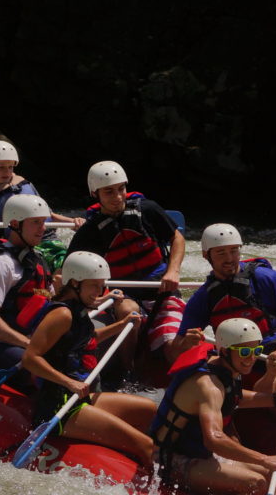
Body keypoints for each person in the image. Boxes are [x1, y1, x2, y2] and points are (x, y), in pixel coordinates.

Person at [149, 318, 276, 495]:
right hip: (172, 460)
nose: (251, 358)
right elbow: (214, 439)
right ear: (224, 350)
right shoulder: (207, 385)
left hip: (200, 454)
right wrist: (264, 458)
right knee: (255, 484)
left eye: (256, 351)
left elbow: (234, 398)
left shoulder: (228, 368)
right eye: (244, 352)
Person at [20, 251, 157, 464]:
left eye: (101, 285)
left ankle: (122, 455)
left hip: (79, 397)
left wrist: (122, 325)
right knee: (146, 445)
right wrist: (70, 383)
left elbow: (88, 339)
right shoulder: (62, 314)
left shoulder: (78, 311)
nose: (100, 292)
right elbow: (30, 358)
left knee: (148, 410)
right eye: (94, 285)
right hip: (60, 406)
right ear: (75, 283)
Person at [65, 160, 188, 374]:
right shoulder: (90, 231)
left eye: (121, 189)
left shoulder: (147, 210)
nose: (118, 197)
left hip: (161, 290)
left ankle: (178, 377)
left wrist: (173, 270)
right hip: (124, 293)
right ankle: (128, 371)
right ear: (96, 194)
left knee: (170, 342)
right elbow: (69, 270)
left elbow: (177, 237)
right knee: (129, 312)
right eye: (109, 192)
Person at [0, 193, 56, 385]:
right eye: (36, 222)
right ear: (15, 224)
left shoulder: (36, 260)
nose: (44, 228)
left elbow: (45, 300)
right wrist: (29, 345)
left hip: (24, 340)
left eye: (44, 221)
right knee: (43, 371)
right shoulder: (0, 264)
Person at [176, 223, 276, 352]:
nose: (229, 259)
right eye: (221, 253)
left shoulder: (265, 278)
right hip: (231, 363)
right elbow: (177, 344)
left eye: (234, 251)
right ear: (206, 255)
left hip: (269, 355)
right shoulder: (205, 295)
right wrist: (186, 343)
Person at [0, 139, 83, 235]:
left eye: (10, 167)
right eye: (0, 167)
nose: (7, 172)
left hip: (46, 237)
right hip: (17, 244)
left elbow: (49, 215)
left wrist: (73, 222)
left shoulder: (24, 183)